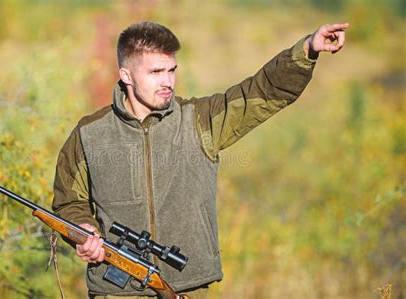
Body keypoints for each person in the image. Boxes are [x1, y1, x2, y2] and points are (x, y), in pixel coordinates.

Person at [52, 21, 348, 298]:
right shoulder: (90, 133)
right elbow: (68, 202)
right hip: (115, 290)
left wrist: (307, 49)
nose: (167, 81)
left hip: (189, 288)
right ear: (126, 75)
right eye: (155, 72)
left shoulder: (200, 120)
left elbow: (260, 92)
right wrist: (85, 231)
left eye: (171, 70)